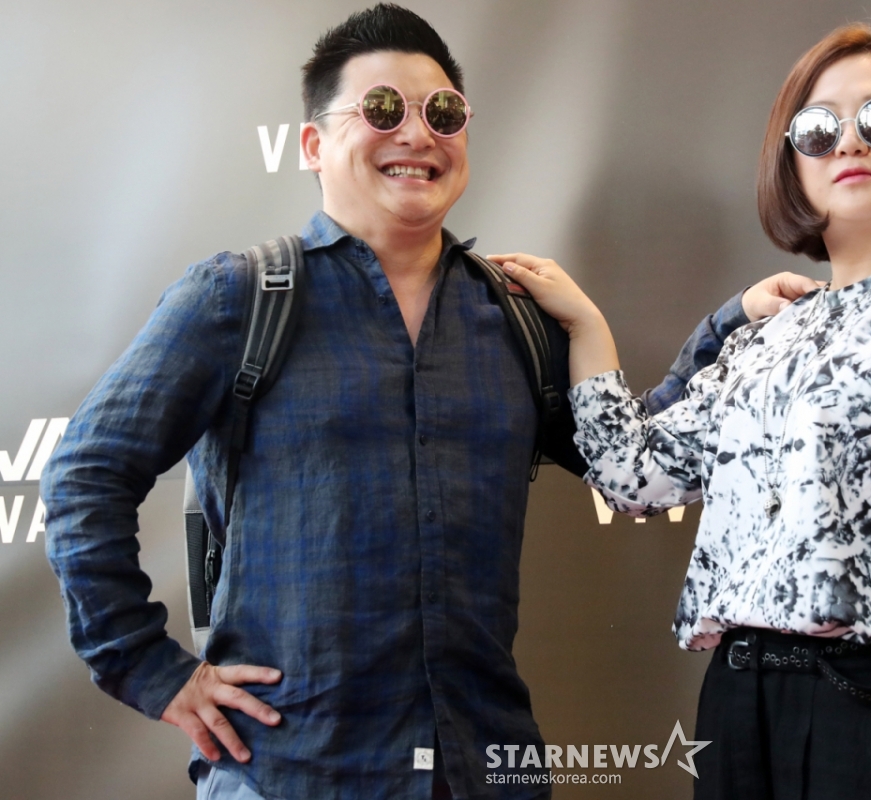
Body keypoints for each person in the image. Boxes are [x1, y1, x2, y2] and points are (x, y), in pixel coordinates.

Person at [40, 5, 819, 800]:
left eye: (443, 113)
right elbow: (83, 475)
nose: (417, 133)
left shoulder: (513, 316)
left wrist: (733, 325)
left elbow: (632, 457)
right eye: (382, 110)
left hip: (481, 768)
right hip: (292, 771)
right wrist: (153, 670)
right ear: (312, 145)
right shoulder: (237, 298)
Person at [494, 22, 871, 800]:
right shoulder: (766, 333)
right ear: (792, 163)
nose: (849, 141)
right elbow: (631, 476)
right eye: (817, 128)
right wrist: (586, 326)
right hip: (737, 699)